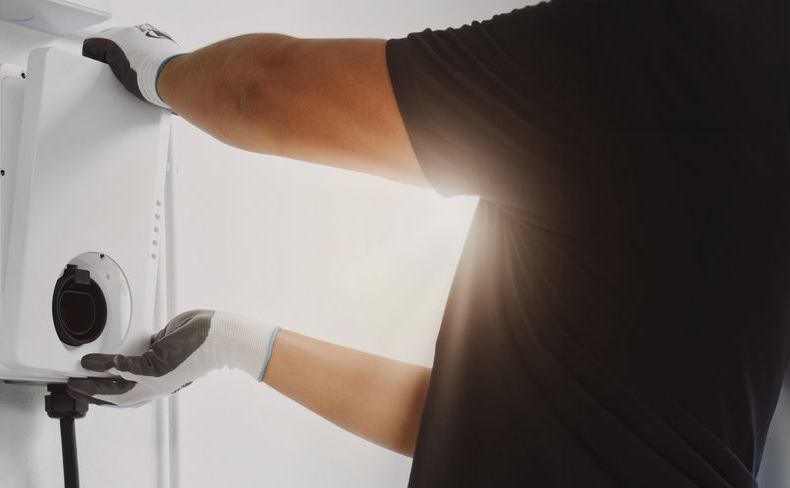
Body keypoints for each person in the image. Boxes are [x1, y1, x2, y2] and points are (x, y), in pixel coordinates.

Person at [67, 2, 790, 486]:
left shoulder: (660, 45)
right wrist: (237, 343)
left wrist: (160, 71)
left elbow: (266, 91)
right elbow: (492, 417)